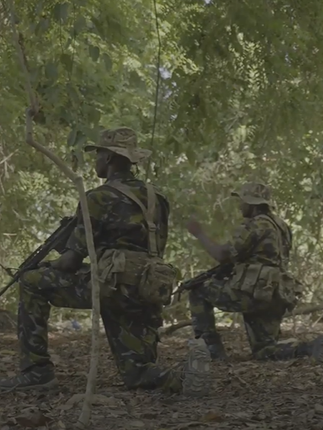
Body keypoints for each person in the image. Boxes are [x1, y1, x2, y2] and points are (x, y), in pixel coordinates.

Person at [0, 127, 210, 395]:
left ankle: (36, 373)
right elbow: (152, 246)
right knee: (137, 372)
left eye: (98, 153)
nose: (96, 159)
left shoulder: (97, 198)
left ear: (109, 158)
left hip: (110, 286)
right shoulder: (157, 198)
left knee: (31, 282)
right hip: (147, 285)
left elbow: (70, 263)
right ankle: (184, 376)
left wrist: (46, 265)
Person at [185, 182, 323, 362]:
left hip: (253, 291)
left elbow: (223, 255)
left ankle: (211, 352)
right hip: (275, 293)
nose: (239, 206)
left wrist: (199, 233)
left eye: (242, 201)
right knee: (265, 351)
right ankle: (309, 348)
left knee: (198, 291)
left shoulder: (256, 225)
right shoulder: (281, 226)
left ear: (251, 204)